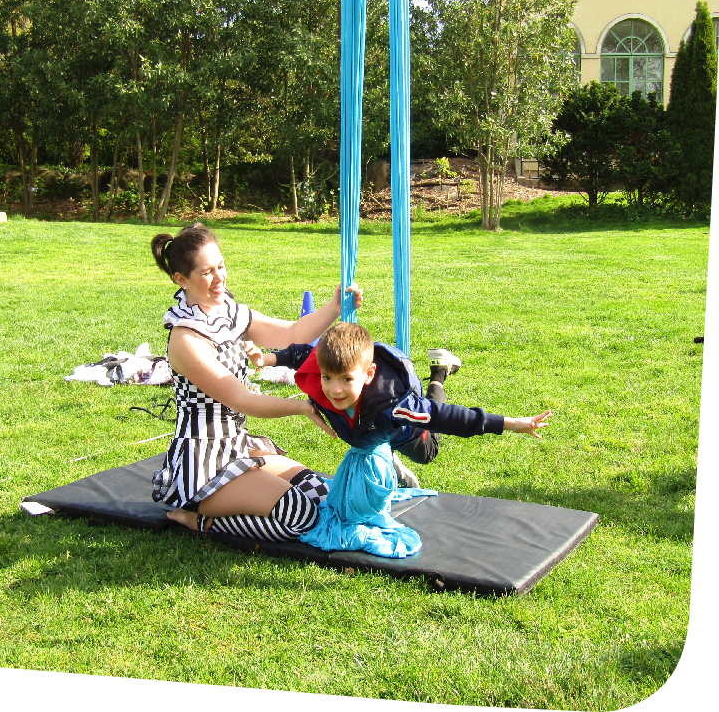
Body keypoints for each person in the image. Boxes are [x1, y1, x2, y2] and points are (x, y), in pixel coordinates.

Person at [149, 223, 363, 543]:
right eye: (207, 272)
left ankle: (228, 504)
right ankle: (201, 521)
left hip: (237, 447)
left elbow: (291, 334)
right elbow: (242, 400)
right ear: (181, 279)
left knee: (324, 495)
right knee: (301, 517)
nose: (220, 277)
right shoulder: (186, 339)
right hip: (204, 465)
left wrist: (333, 307)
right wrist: (304, 407)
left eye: (221, 266)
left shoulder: (229, 312)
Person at [260, 322, 552, 463]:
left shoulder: (395, 406)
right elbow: (303, 354)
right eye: (328, 378)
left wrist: (513, 423)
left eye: (346, 380)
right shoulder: (325, 365)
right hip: (370, 433)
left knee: (428, 448)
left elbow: (445, 417)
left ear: (368, 375)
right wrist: (267, 359)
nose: (335, 390)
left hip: (406, 433)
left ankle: (439, 373)